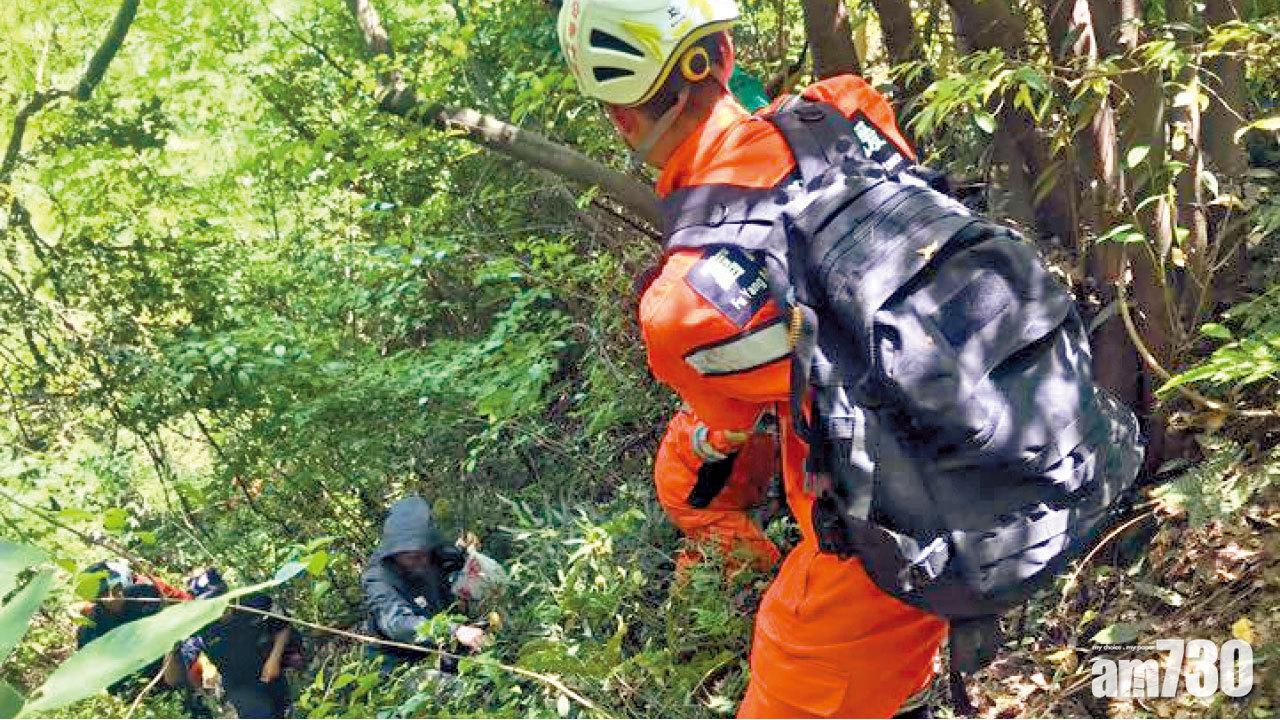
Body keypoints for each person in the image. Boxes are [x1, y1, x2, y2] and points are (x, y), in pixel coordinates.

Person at [555, 1, 948, 716]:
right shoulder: (851, 106)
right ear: (728, 52)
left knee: (795, 672)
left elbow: (727, 424)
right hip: (1029, 404)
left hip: (896, 523)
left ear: (621, 118)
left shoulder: (682, 310)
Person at [361, 496, 488, 671]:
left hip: (445, 647)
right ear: (396, 552)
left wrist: (466, 551)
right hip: (403, 662)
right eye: (411, 557)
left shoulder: (431, 554)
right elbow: (397, 622)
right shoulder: (378, 578)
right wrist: (454, 631)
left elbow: (453, 559)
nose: (421, 560)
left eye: (423, 553)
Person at [655, 404, 781, 575]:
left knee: (708, 545)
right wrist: (728, 434)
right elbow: (698, 437)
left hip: (728, 489)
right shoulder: (716, 401)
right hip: (692, 496)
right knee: (762, 560)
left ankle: (690, 583)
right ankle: (701, 592)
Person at [179, 568, 295, 719]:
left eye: (218, 597)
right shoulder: (199, 629)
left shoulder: (254, 603)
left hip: (271, 671)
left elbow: (283, 626)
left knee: (284, 709)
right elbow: (180, 669)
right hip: (239, 686)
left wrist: (275, 659)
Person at [76, 559, 189, 693]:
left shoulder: (146, 595)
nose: (113, 595)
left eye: (116, 587)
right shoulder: (89, 630)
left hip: (165, 665)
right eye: (104, 592)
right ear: (95, 598)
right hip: (128, 684)